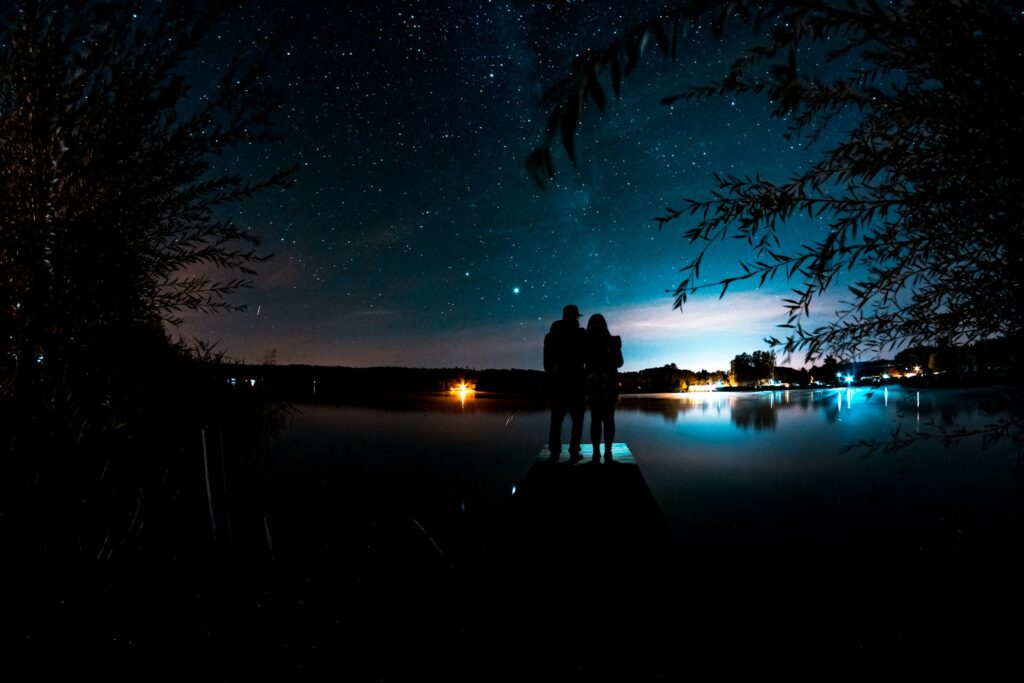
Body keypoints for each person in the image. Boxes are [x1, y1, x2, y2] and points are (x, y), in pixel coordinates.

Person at [543, 305, 587, 462]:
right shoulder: (581, 334)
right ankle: (574, 451)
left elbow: (547, 360)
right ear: (576, 316)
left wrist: (551, 376)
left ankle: (555, 452)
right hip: (577, 382)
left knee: (556, 419)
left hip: (558, 382)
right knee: (577, 419)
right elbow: (587, 358)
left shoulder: (551, 335)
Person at [584, 313, 623, 463]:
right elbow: (619, 362)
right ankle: (605, 452)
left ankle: (599, 453)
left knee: (598, 419)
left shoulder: (587, 343)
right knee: (606, 419)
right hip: (604, 384)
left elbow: (619, 362)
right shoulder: (613, 341)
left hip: (599, 384)